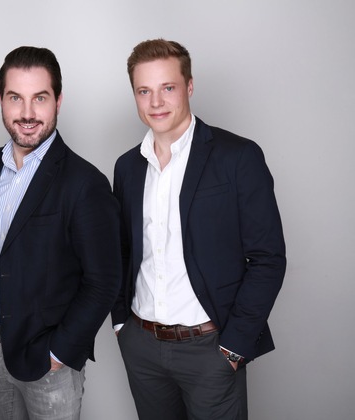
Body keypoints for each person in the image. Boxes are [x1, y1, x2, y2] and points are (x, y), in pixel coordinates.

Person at [111, 39, 286, 420]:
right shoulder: (127, 167)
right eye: (144, 91)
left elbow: (268, 258)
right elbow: (121, 251)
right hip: (142, 347)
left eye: (167, 87)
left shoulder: (237, 156)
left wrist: (234, 347)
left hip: (211, 348)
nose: (156, 102)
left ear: (189, 86)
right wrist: (122, 323)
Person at [0, 46, 121, 420]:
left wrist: (60, 351)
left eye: (40, 98)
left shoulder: (85, 183)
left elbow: (104, 281)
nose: (27, 113)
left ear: (58, 101)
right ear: (1, 100)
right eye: (16, 97)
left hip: (48, 356)